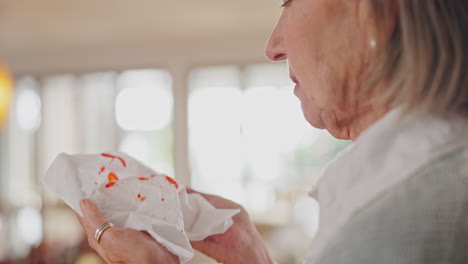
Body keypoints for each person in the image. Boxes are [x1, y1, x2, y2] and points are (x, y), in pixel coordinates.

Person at [77, 0, 468, 263]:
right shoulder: (408, 189)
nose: (273, 45)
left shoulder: (417, 219)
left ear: (376, 12)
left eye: (290, 1)